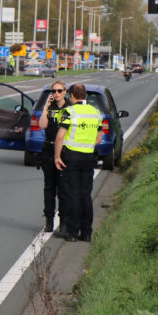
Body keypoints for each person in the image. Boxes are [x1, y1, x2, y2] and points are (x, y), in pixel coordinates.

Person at [53, 83, 102, 242]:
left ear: (71, 95)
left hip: (71, 157)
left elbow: (60, 136)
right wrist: (87, 145)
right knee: (85, 195)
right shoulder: (95, 112)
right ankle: (87, 233)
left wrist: (57, 157)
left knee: (72, 194)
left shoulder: (69, 111)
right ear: (85, 95)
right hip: (88, 157)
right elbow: (99, 138)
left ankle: (73, 233)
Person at [37, 81, 69, 233]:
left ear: (65, 92)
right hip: (49, 150)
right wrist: (45, 108)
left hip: (65, 151)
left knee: (63, 189)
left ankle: (63, 223)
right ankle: (49, 221)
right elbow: (42, 125)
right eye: (53, 91)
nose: (56, 93)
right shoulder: (50, 108)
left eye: (59, 90)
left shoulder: (70, 108)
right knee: (49, 188)